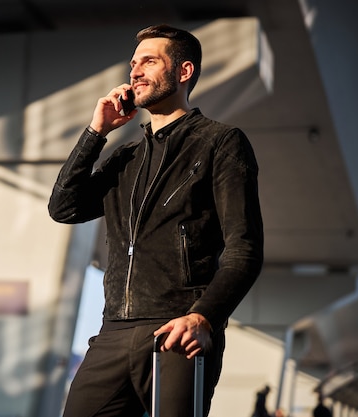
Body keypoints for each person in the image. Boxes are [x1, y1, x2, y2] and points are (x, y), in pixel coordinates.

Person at [48, 24, 264, 417]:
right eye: (133, 63)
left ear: (184, 72)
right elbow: (64, 208)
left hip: (178, 329)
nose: (135, 71)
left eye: (149, 61)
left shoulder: (220, 142)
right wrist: (96, 132)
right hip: (113, 331)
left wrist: (204, 316)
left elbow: (244, 248)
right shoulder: (124, 158)